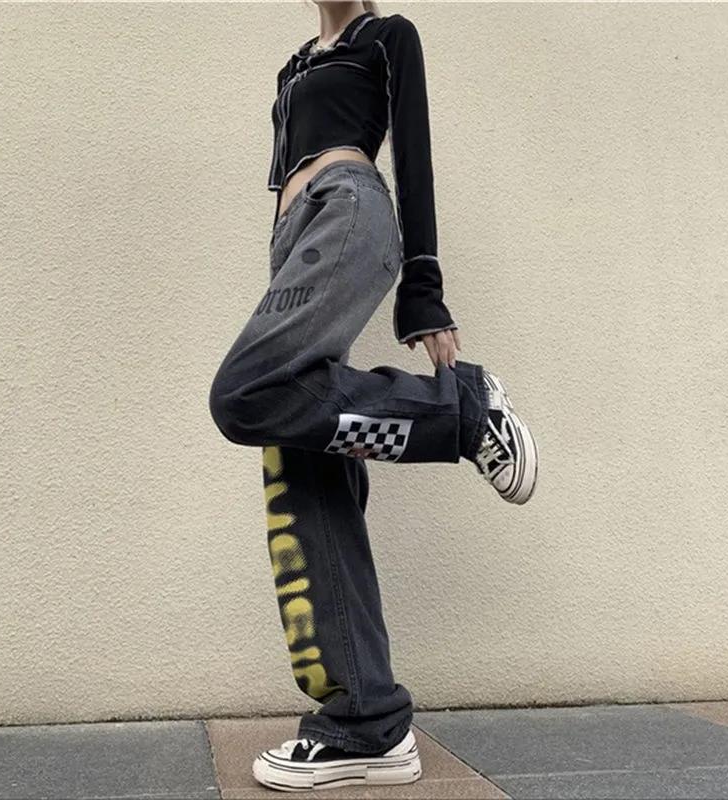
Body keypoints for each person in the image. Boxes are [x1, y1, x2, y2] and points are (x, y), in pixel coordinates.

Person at [208, 0, 538, 791]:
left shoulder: (385, 37)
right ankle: (366, 724)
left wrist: (423, 291)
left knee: (241, 397)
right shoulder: (293, 68)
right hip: (296, 241)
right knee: (303, 462)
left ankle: (463, 413)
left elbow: (413, 154)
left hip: (349, 208)